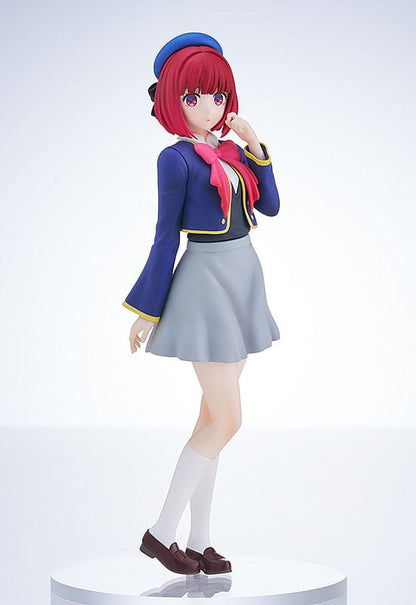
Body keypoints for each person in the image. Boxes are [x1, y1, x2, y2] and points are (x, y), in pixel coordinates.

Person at [122, 32, 281, 575]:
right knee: (228, 420)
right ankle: (160, 532)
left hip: (243, 277)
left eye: (216, 95)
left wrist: (255, 144)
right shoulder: (175, 160)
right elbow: (165, 236)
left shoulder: (233, 152)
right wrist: (147, 309)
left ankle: (199, 540)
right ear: (173, 101)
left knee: (210, 417)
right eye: (193, 97)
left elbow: (272, 206)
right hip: (205, 283)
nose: (208, 107)